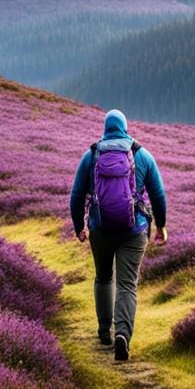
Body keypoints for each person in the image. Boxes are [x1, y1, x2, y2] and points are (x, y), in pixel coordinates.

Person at [70, 109, 167, 361]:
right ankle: (123, 334)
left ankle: (105, 331)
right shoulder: (141, 155)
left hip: (100, 228)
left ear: (105, 127)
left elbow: (77, 194)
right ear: (125, 126)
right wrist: (161, 226)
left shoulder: (91, 155)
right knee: (127, 284)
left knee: (103, 277)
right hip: (134, 231)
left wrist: (78, 225)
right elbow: (158, 195)